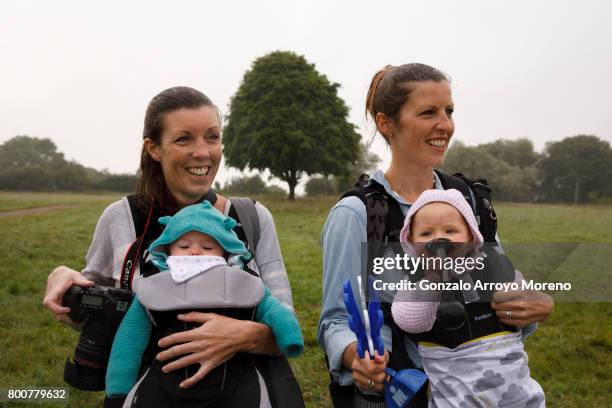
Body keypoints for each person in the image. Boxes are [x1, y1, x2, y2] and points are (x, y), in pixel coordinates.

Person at [43, 86, 303, 407]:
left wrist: (243, 336)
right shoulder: (121, 218)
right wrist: (63, 278)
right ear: (153, 148)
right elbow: (95, 314)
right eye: (184, 139)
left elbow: (285, 321)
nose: (203, 152)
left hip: (246, 392)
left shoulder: (252, 217)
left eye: (212, 137)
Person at [317, 63, 554, 407]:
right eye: (428, 112)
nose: (444, 124)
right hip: (405, 395)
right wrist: (358, 358)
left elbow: (501, 294)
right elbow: (336, 320)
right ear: (386, 123)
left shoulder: (468, 200)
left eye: (449, 111)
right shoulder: (356, 214)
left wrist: (533, 306)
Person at [105, 201, 304, 407]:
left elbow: (273, 310)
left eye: (207, 247)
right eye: (184, 246)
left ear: (227, 253)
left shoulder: (242, 283)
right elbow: (129, 340)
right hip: (165, 386)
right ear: (167, 250)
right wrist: (118, 388)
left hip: (235, 386)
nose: (194, 252)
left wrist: (289, 336)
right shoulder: (153, 288)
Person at [391, 189, 545, 407]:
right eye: (426, 234)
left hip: (517, 395)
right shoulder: (415, 281)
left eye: (450, 230)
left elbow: (528, 308)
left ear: (471, 235)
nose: (439, 238)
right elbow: (410, 321)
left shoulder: (494, 266)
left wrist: (522, 298)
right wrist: (432, 283)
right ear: (411, 243)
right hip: (455, 398)